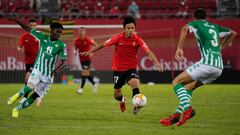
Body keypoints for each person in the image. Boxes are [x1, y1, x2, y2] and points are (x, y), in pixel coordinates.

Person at [160, 8, 237, 126]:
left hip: (207, 64)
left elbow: (184, 28)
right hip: (219, 68)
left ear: (194, 18)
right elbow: (233, 33)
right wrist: (221, 47)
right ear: (206, 17)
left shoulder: (196, 23)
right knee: (189, 88)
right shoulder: (214, 26)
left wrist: (179, 48)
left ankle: (188, 110)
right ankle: (177, 115)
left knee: (176, 82)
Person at [81, 16, 162, 114]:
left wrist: (156, 62)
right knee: (116, 94)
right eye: (128, 28)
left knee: (135, 85)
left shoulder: (138, 40)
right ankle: (122, 100)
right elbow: (103, 44)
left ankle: (136, 105)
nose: (131, 30)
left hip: (131, 68)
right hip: (118, 69)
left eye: (132, 28)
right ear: (124, 29)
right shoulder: (117, 38)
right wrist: (90, 51)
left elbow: (148, 51)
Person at [6, 15, 67, 118]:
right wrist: (15, 19)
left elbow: (64, 62)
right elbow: (27, 28)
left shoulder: (62, 45)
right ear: (51, 30)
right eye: (57, 31)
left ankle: (16, 109)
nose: (58, 34)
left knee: (35, 96)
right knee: (29, 87)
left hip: (48, 76)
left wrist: (57, 70)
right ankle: (16, 96)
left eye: (60, 33)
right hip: (38, 69)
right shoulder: (42, 37)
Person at [18, 18, 40, 104]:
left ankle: (25, 97)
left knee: (27, 77)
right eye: (31, 25)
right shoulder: (24, 36)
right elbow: (20, 44)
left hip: (37, 61)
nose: (33, 27)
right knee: (29, 80)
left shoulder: (39, 36)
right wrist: (19, 47)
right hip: (28, 61)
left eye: (35, 25)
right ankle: (37, 96)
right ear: (28, 26)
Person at [74, 27, 98, 94]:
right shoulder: (77, 40)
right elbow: (75, 48)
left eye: (82, 31)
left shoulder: (88, 39)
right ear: (78, 32)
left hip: (87, 59)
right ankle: (94, 84)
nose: (81, 32)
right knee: (86, 74)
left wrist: (91, 52)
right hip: (81, 59)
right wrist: (75, 52)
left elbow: (95, 45)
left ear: (85, 32)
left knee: (84, 73)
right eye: (80, 31)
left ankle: (81, 89)